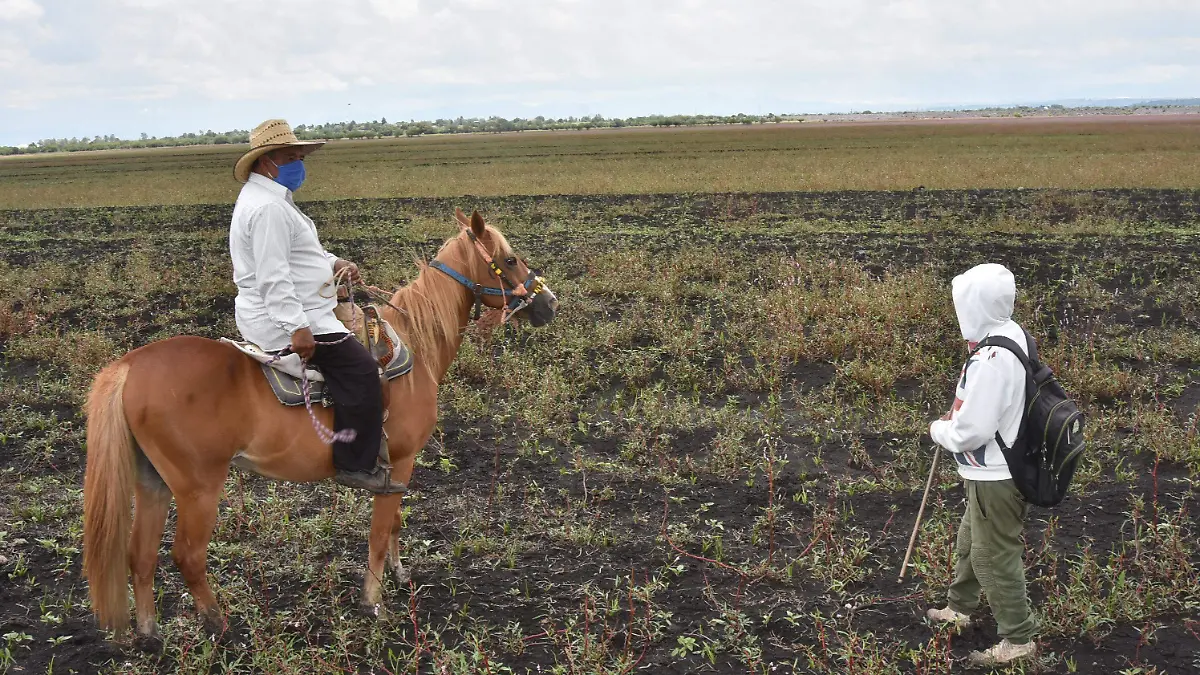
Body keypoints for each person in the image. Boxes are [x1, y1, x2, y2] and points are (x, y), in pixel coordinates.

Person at [229, 118, 404, 494]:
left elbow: (302, 254)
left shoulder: (273, 200)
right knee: (362, 373)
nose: (298, 164)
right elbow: (273, 275)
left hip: (304, 309)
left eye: (298, 156)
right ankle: (354, 465)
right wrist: (296, 327)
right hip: (291, 317)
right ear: (266, 162)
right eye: (290, 157)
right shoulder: (269, 209)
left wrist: (335, 263)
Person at [926, 263, 1038, 666]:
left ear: (976, 305)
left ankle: (1019, 640)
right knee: (971, 542)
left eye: (964, 303)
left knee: (994, 557)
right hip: (991, 470)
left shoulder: (992, 358)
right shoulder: (1010, 334)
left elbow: (971, 431)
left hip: (997, 475)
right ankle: (960, 607)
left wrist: (941, 430)